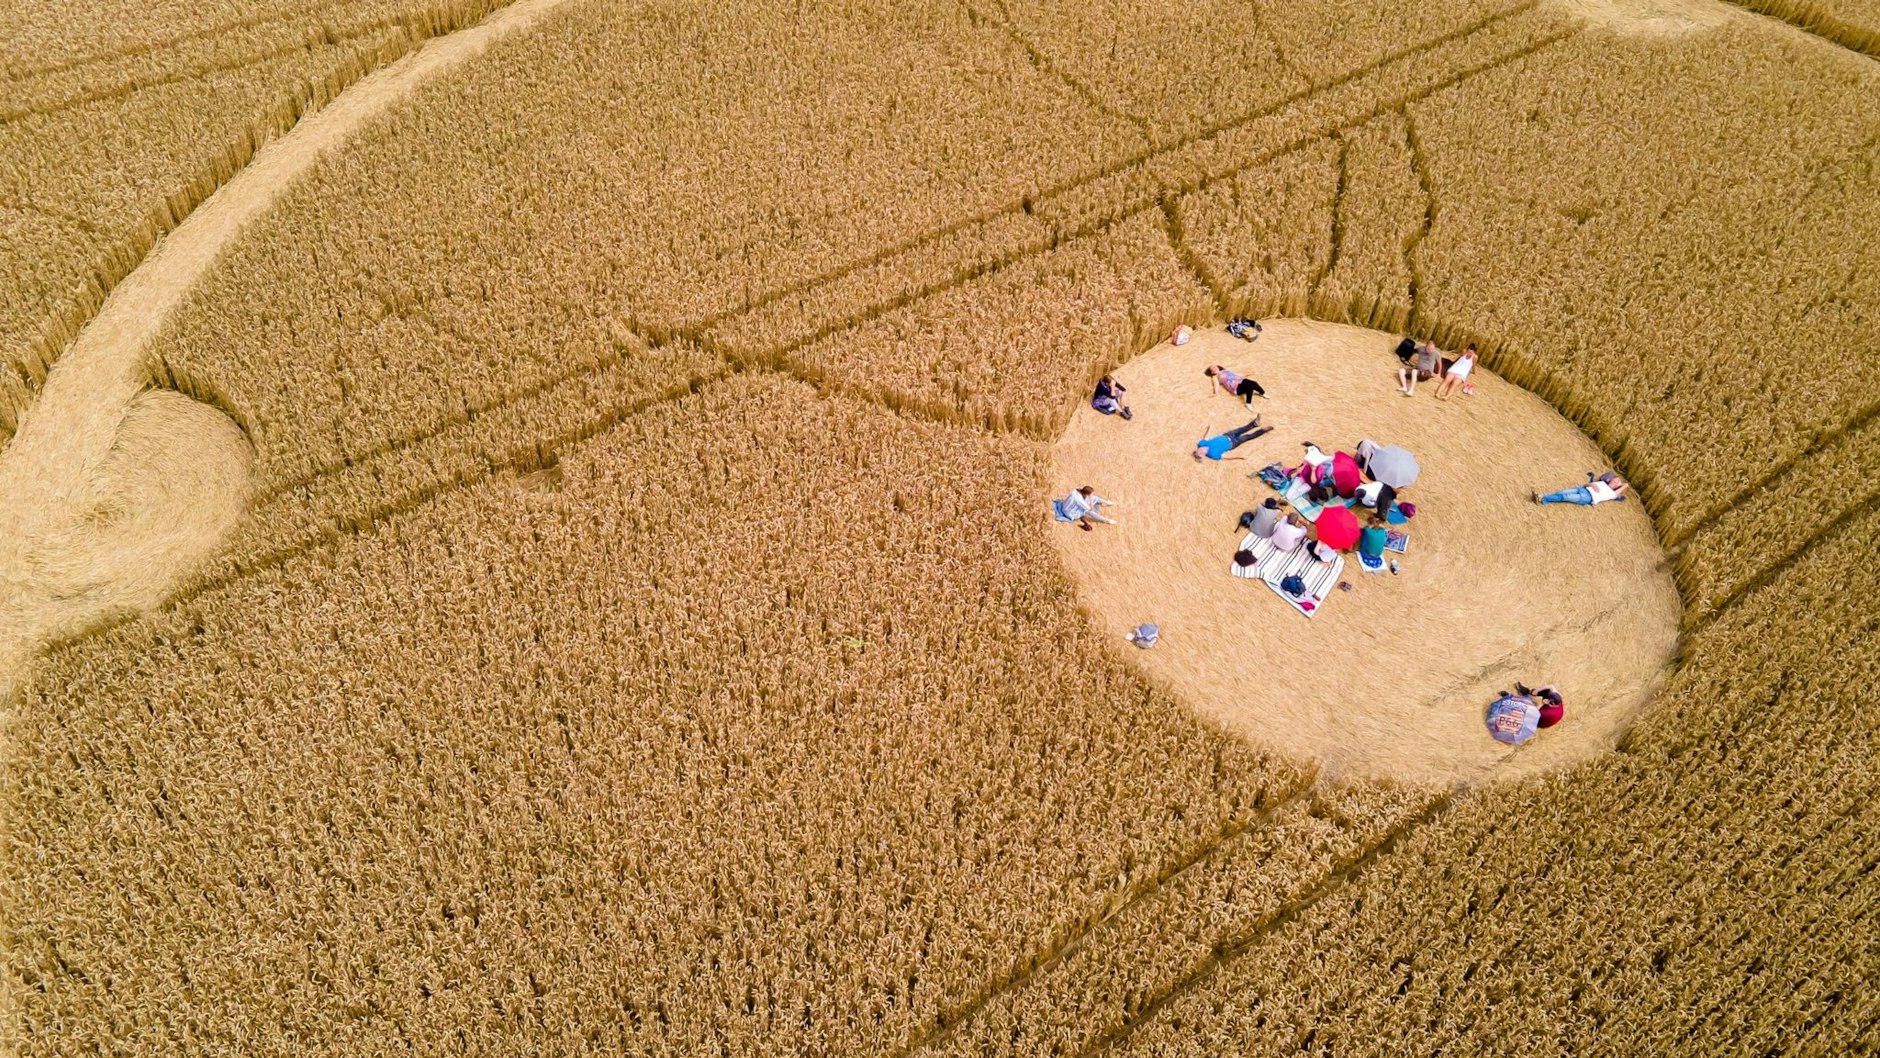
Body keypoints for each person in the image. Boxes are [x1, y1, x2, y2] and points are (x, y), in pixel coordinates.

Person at [1194, 418, 1271, 461]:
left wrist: (1209, 429)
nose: (1201, 451)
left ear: (1197, 449)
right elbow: (1226, 457)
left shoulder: (1201, 444)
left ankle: (1255, 423)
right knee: (1248, 437)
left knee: (1243, 428)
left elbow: (1206, 437)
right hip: (1233, 443)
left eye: (1198, 451)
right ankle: (1263, 430)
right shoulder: (1213, 455)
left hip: (1228, 435)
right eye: (1201, 454)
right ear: (1203, 456)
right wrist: (1239, 457)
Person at [1534, 471, 1628, 506]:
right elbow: (1586, 484)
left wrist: (1620, 484)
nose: (1614, 481)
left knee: (1565, 497)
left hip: (1587, 498)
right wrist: (1593, 485)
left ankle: (1542, 498)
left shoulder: (1612, 494)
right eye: (1614, 480)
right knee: (1562, 492)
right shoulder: (1602, 483)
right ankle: (1544, 500)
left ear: (1617, 486)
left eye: (1616, 482)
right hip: (1583, 489)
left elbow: (1626, 485)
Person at [1052, 485, 1117, 530]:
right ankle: (1106, 520)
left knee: (1095, 498)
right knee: (1090, 512)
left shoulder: (1075, 491)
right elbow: (1090, 508)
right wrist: (1091, 499)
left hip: (1065, 506)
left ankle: (1107, 502)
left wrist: (1091, 496)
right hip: (1070, 514)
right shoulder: (1080, 500)